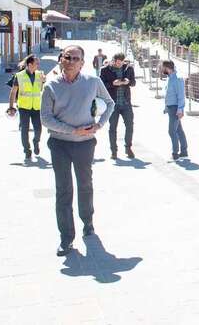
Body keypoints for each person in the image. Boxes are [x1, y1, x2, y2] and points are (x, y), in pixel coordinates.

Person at [40, 45, 115, 256]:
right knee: (63, 190)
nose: (71, 61)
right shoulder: (50, 86)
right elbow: (45, 118)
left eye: (76, 58)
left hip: (85, 145)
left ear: (82, 62)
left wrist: (99, 125)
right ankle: (66, 238)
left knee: (85, 184)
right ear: (61, 60)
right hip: (60, 144)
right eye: (67, 57)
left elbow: (109, 103)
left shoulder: (93, 82)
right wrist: (73, 130)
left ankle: (88, 222)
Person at [7, 54, 45, 160]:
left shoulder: (40, 74)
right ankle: (27, 150)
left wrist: (43, 81)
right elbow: (13, 92)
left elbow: (41, 89)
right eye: (36, 63)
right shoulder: (19, 76)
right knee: (24, 129)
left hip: (36, 107)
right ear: (29, 64)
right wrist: (11, 107)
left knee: (38, 129)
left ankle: (36, 142)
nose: (38, 65)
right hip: (24, 107)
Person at [100, 52, 136, 160]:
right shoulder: (105, 70)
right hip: (112, 104)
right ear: (113, 60)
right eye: (118, 63)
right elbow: (101, 86)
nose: (120, 65)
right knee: (113, 128)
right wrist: (112, 84)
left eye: (121, 63)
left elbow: (133, 82)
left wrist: (128, 82)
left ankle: (128, 148)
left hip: (126, 103)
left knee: (130, 126)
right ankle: (114, 151)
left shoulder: (128, 69)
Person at [161, 60, 188, 160]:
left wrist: (180, 109)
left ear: (167, 68)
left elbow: (181, 96)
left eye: (162, 67)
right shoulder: (170, 78)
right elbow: (169, 95)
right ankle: (184, 152)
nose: (161, 69)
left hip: (175, 109)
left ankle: (175, 154)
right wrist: (166, 107)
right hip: (170, 108)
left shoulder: (177, 79)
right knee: (178, 130)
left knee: (171, 131)